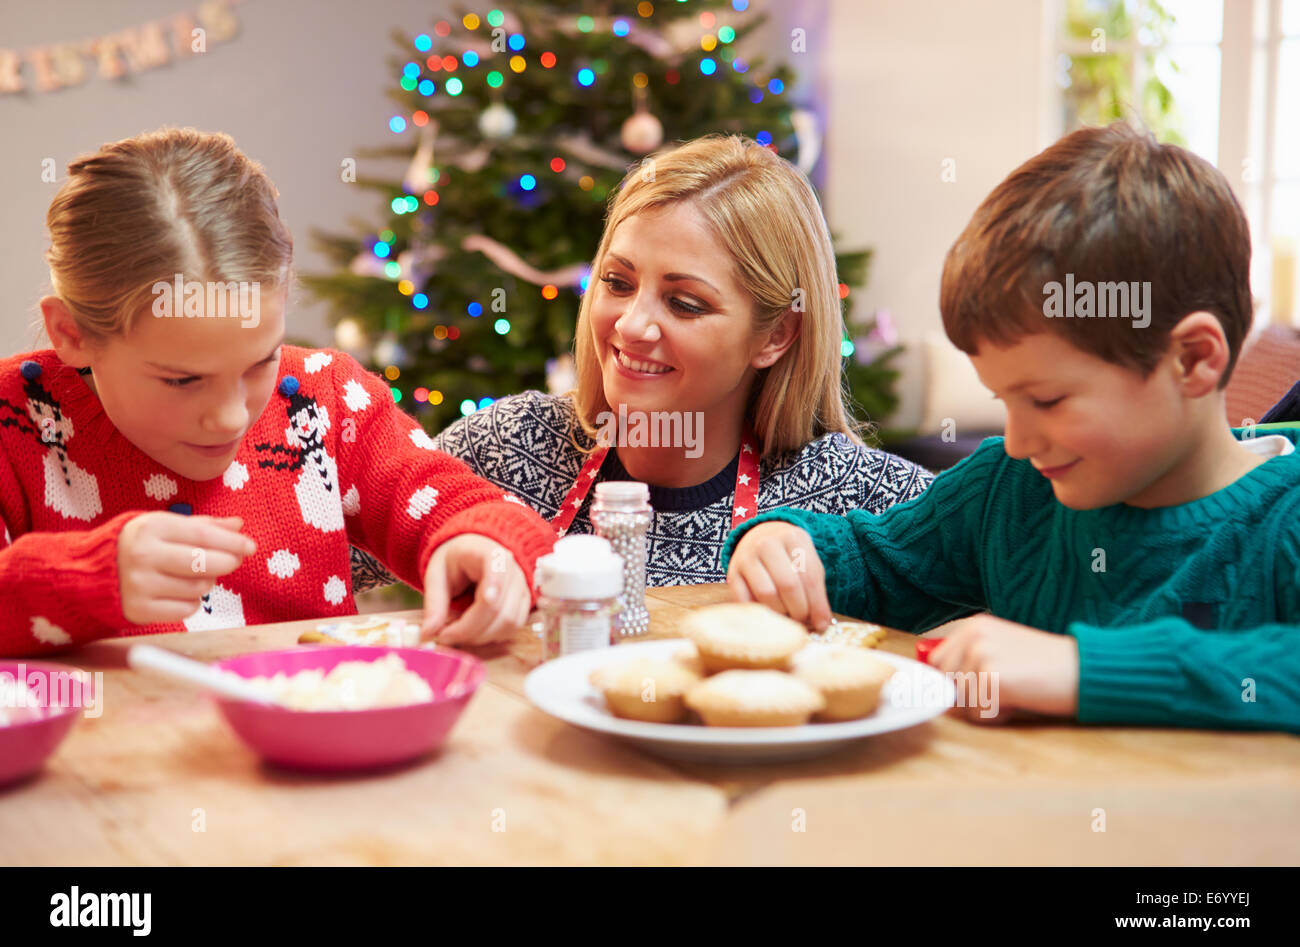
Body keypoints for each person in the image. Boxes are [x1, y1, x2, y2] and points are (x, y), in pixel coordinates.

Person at [724, 123, 1300, 733]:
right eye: (1004, 400)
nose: (1019, 440)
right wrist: (785, 545)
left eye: (1048, 400)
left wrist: (1080, 670)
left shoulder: (1282, 519)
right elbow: (875, 563)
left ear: (1193, 360)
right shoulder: (1012, 488)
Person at [0, 127, 555, 656]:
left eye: (259, 362)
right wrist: (78, 579)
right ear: (71, 333)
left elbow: (471, 508)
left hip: (315, 748)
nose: (228, 418)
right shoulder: (13, 421)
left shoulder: (323, 399)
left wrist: (486, 544)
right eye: (182, 379)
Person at [409, 134, 930, 587]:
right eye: (617, 282)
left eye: (685, 304)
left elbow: (1006, 537)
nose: (632, 326)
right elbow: (334, 545)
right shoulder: (506, 448)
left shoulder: (854, 497)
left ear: (776, 335)